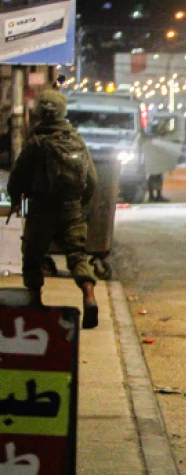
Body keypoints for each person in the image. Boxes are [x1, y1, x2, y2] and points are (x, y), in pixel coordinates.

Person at [7, 90, 100, 328]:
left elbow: (17, 178)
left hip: (41, 211)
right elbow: (93, 180)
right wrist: (80, 207)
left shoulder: (36, 142)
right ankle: (89, 294)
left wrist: (16, 196)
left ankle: (36, 302)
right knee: (77, 256)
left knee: (32, 256)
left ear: (39, 113)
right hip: (72, 210)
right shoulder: (75, 140)